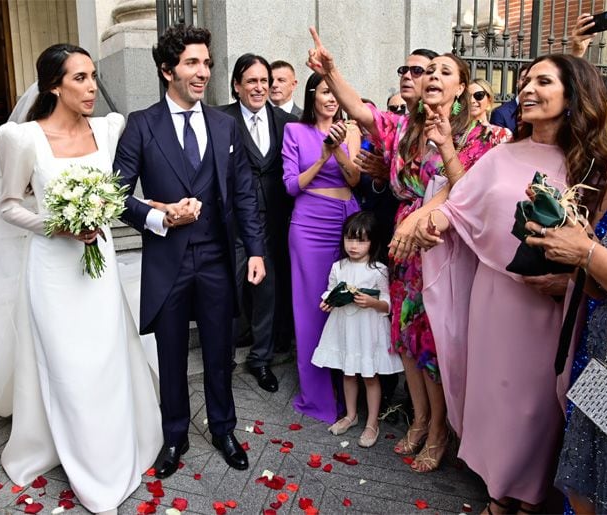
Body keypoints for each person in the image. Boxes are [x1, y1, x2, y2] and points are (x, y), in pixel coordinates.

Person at [0, 44, 163, 514]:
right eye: (80, 79)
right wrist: (58, 224)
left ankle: (115, 447)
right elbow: (9, 205)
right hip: (51, 268)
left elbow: (121, 192)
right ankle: (84, 461)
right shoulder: (21, 137)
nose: (92, 87)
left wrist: (156, 211)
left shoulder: (109, 130)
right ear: (53, 85)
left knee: (106, 355)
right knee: (67, 364)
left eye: (93, 77)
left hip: (100, 263)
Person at [307, 26, 510, 474]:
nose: (433, 75)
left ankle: (441, 429)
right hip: (403, 247)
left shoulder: (480, 137)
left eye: (444, 71)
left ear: (460, 88)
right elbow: (359, 108)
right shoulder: (403, 129)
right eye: (428, 70)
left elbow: (469, 191)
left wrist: (425, 211)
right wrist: (332, 70)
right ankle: (419, 421)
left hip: (443, 246)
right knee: (406, 338)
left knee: (436, 341)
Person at [419, 54, 607, 513]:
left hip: (550, 307)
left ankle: (528, 498)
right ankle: (498, 494)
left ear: (573, 96)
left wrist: (571, 278)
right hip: (495, 296)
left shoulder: (594, 165)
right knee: (497, 398)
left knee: (536, 405)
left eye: (543, 82)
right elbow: (462, 202)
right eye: (525, 81)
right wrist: (432, 222)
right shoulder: (502, 152)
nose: (526, 89)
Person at [114, 24, 265, 477]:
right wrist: (160, 218)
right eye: (192, 63)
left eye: (207, 63)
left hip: (218, 259)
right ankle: (174, 435)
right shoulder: (141, 125)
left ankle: (223, 429)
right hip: (168, 262)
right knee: (172, 354)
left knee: (220, 353)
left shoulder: (225, 124)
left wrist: (256, 250)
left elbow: (243, 194)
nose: (203, 72)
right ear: (167, 70)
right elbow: (116, 195)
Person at [526, 89, 607, 515]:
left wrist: (586, 253)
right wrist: (562, 231)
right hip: (604, 371)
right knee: (584, 488)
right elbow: (603, 282)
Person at [282, 71, 361, 424]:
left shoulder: (353, 130)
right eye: (325, 92)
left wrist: (340, 150)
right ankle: (317, 397)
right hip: (309, 225)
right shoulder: (295, 131)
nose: (332, 99)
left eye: (336, 94)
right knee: (313, 308)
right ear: (312, 95)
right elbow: (291, 186)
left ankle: (349, 398)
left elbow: (355, 178)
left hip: (346, 222)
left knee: (346, 304)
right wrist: (323, 154)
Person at [218, 54, 298, 392]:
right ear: (237, 85)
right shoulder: (220, 120)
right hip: (234, 221)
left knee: (269, 290)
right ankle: (222, 357)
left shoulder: (285, 121)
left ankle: (261, 359)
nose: (260, 87)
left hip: (275, 221)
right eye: (251, 81)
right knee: (228, 288)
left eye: (264, 81)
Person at [312, 212, 403, 447]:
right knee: (348, 372)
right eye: (349, 239)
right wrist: (327, 301)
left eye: (361, 240)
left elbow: (388, 301)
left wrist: (373, 303)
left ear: (373, 242)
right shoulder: (338, 267)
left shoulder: (379, 269)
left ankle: (372, 422)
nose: (353, 246)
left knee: (370, 376)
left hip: (368, 329)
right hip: (345, 326)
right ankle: (351, 415)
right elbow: (330, 290)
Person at [490, 63, 529, 134]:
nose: (526, 83)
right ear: (517, 83)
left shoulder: (543, 112)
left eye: (530, 80)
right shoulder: (500, 113)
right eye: (524, 79)